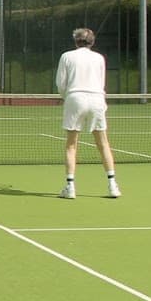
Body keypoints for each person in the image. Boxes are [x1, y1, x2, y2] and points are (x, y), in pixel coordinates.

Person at [56, 27, 120, 199]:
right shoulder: (99, 58)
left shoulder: (66, 56)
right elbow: (101, 82)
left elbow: (60, 83)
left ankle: (70, 187)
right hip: (97, 100)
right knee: (103, 143)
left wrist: (68, 97)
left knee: (71, 144)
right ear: (91, 41)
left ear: (76, 41)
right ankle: (113, 185)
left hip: (75, 98)